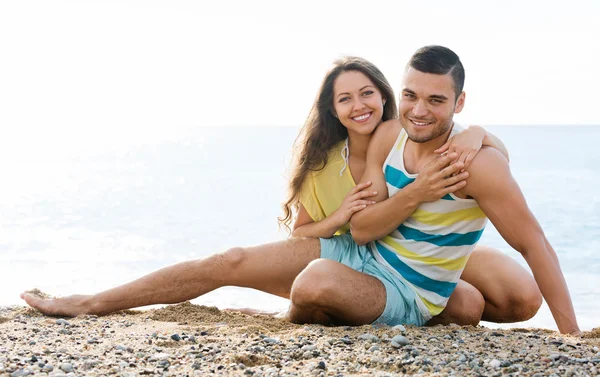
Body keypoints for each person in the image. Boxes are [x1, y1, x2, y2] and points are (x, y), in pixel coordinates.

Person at [21, 55, 540, 329]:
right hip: (348, 256)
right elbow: (303, 235)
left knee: (493, 301)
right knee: (232, 259)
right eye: (344, 99)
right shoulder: (320, 167)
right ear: (332, 109)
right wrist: (341, 214)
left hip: (417, 259)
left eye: (368, 94)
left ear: (389, 97)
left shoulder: (412, 135)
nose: (359, 105)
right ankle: (91, 301)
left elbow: (470, 135)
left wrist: (478, 134)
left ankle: (335, 310)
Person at [348, 45, 580, 335]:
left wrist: (572, 336)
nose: (419, 111)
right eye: (410, 95)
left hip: (429, 272)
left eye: (436, 100)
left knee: (524, 297)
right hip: (370, 260)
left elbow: (535, 244)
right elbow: (359, 230)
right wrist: (419, 190)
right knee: (313, 283)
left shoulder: (474, 163)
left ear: (459, 103)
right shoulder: (389, 136)